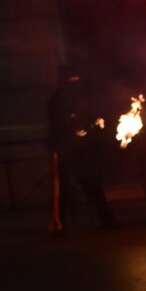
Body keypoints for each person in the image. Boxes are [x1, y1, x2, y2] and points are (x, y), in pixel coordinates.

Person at [47, 65, 118, 232]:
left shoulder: (83, 97)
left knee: (92, 186)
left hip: (81, 151)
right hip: (63, 149)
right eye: (70, 78)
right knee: (62, 190)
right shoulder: (57, 99)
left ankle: (108, 221)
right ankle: (59, 224)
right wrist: (72, 129)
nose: (74, 82)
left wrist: (93, 125)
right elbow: (56, 123)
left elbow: (93, 117)